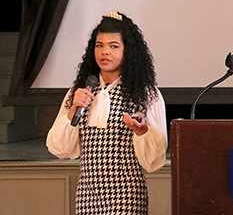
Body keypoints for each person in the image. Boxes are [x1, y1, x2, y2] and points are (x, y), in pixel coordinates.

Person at [46, 11, 168, 215]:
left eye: (113, 46)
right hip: (87, 196)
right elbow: (59, 148)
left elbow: (155, 160)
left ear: (127, 51)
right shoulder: (80, 92)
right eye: (99, 45)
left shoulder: (146, 94)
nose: (105, 52)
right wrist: (73, 110)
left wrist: (142, 131)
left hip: (127, 197)